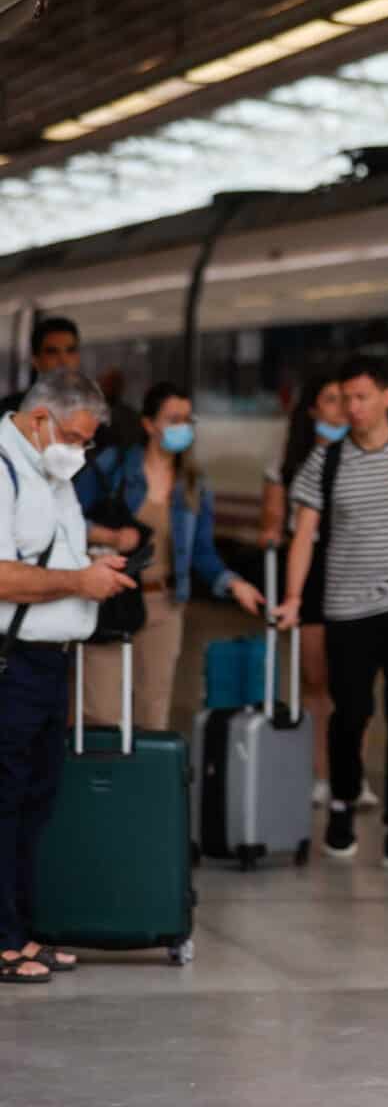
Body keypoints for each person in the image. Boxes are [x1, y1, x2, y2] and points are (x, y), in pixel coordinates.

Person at [275, 358, 388, 875]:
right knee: (351, 714)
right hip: (346, 610)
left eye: (361, 398)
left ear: (387, 398)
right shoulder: (326, 464)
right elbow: (304, 537)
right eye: (346, 399)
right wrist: (293, 598)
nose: (352, 409)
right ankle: (341, 803)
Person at [0, 371, 136, 983]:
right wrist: (80, 582)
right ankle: (2, 942)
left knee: (33, 802)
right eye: (76, 437)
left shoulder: (50, 474)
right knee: (3, 804)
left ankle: (21, 933)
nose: (81, 452)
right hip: (10, 665)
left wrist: (90, 566)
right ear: (39, 420)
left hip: (50, 663)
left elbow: (43, 557)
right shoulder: (0, 471)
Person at [74, 382, 265, 728]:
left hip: (164, 604)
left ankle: (144, 782)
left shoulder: (193, 484)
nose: (183, 427)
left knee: (153, 711)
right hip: (110, 600)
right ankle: (103, 781)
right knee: (101, 712)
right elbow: (66, 516)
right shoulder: (113, 468)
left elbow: (202, 552)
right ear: (149, 424)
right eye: (173, 418)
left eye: (187, 419)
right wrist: (110, 536)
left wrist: (234, 583)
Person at [259, 375, 373, 810]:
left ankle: (354, 775)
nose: (341, 410)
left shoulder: (366, 454)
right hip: (311, 566)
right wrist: (271, 530)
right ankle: (323, 774)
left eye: (345, 400)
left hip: (356, 565)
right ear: (311, 411)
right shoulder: (289, 459)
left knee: (356, 682)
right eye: (330, 401)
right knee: (316, 678)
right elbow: (272, 512)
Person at [0, 318, 143, 450]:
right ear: (36, 360)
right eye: (52, 352)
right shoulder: (10, 410)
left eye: (70, 350)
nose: (63, 360)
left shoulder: (98, 411)